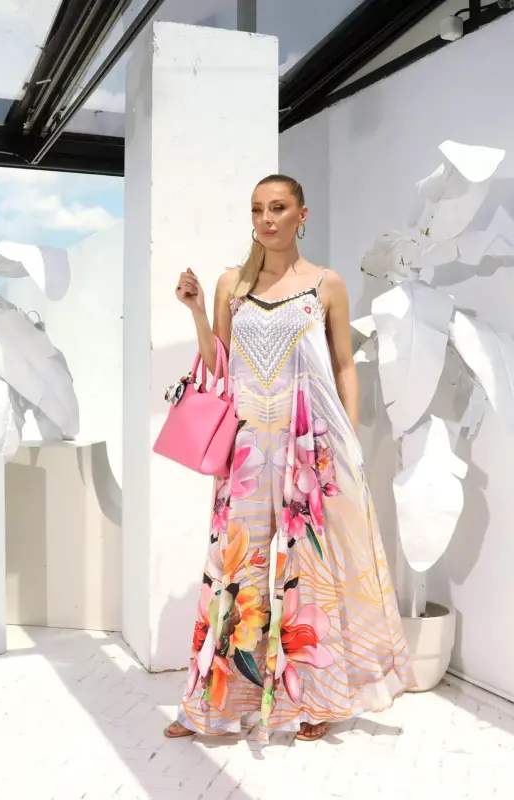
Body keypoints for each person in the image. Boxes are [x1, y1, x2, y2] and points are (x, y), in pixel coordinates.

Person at [164, 174, 415, 744]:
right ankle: (214, 705)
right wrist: (198, 311)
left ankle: (317, 701)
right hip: (246, 448)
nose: (266, 219)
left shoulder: (326, 284)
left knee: (313, 572)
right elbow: (219, 365)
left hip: (312, 445)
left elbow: (345, 365)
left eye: (278, 208)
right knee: (237, 571)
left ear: (302, 214)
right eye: (257, 210)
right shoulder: (232, 283)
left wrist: (349, 439)